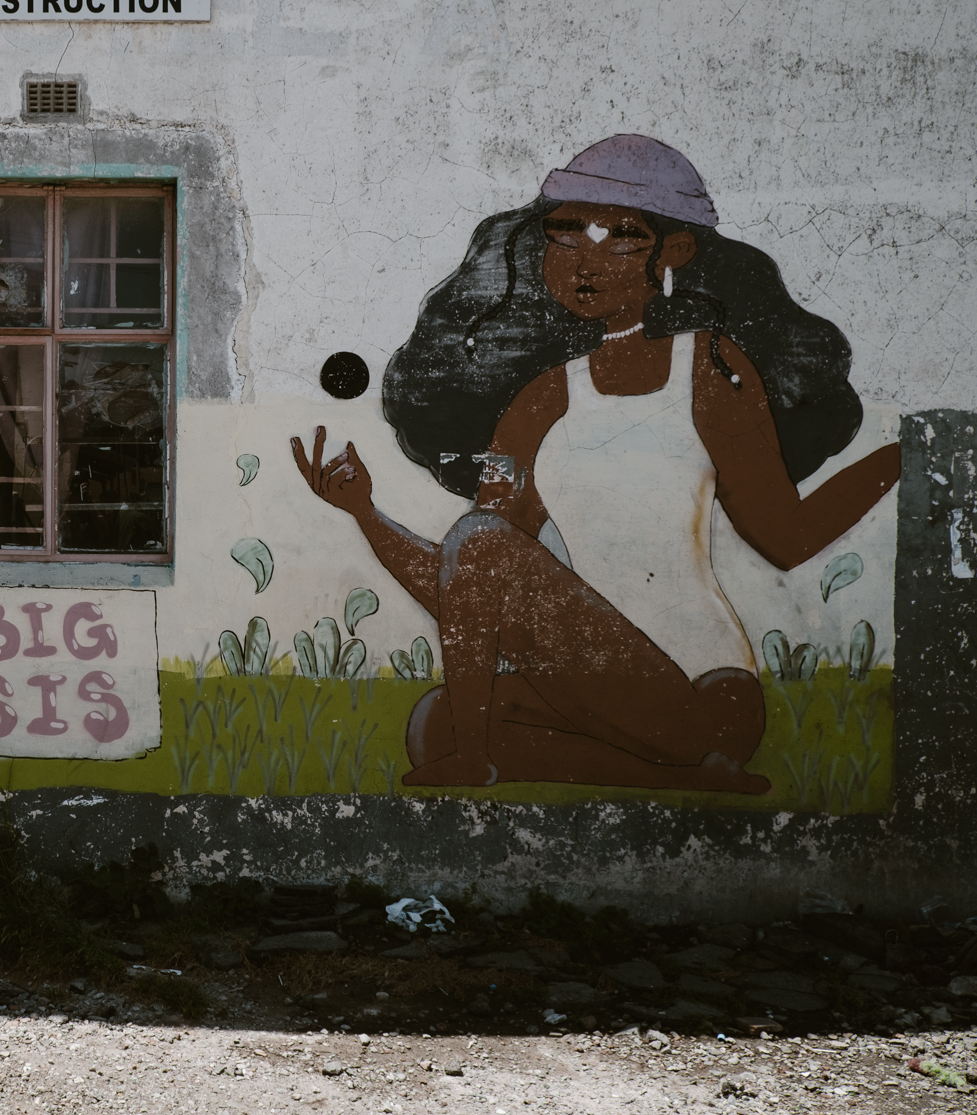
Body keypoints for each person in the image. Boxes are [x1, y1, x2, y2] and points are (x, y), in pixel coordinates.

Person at [292, 135, 899, 792]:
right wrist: (364, 513)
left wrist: (903, 454)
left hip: (702, 692)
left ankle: (503, 759)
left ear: (675, 251)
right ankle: (676, 779)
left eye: (622, 238)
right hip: (591, 692)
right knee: (429, 725)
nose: (585, 258)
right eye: (566, 233)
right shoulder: (538, 400)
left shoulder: (710, 367)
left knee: (482, 547)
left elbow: (786, 538)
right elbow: (468, 582)